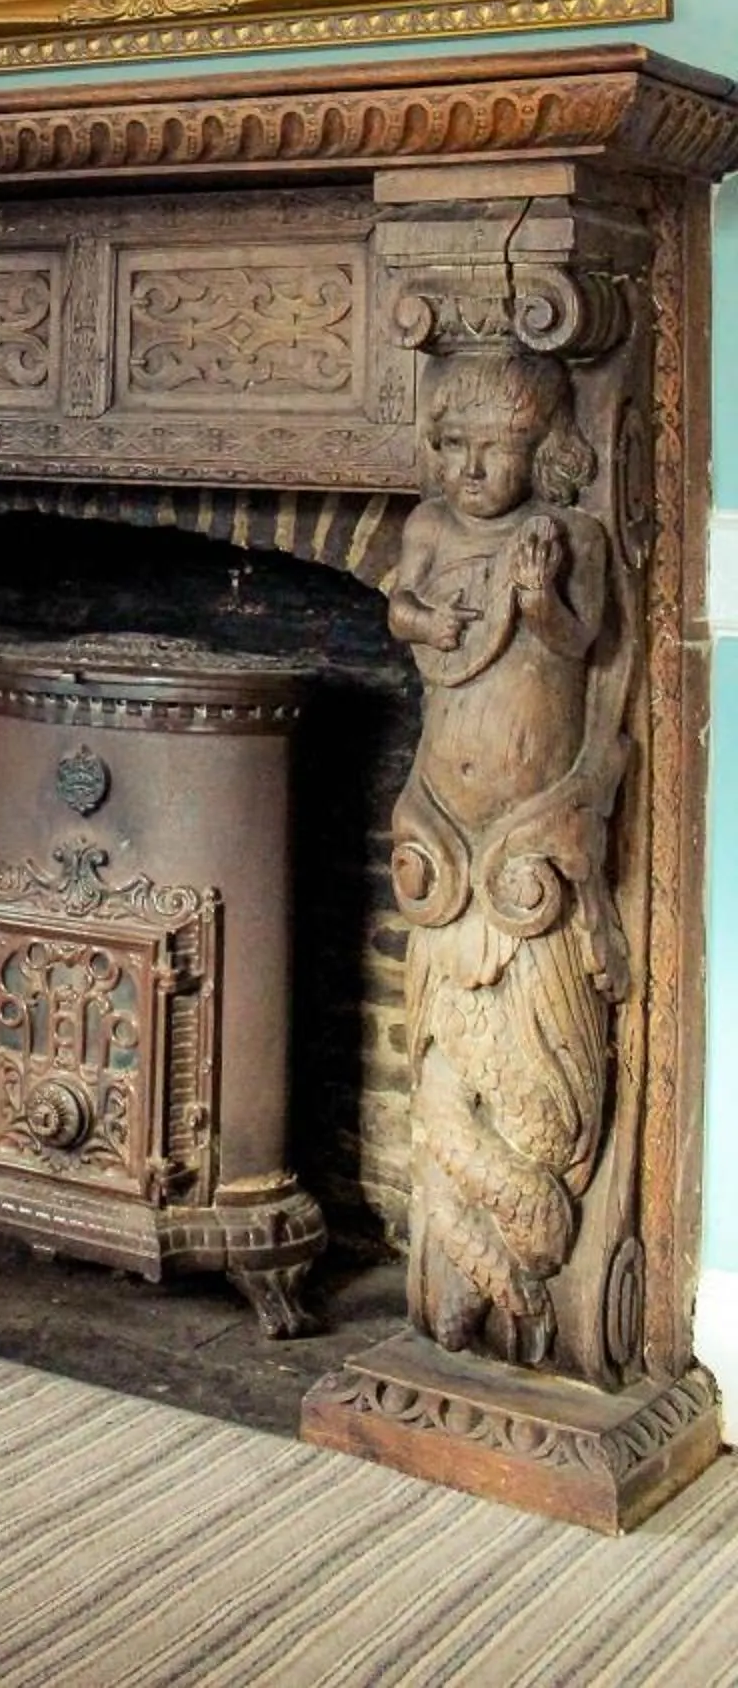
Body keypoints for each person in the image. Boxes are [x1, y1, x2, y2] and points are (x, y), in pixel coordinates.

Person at [387, 344, 622, 1367]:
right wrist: (430, 615)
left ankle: (520, 1279)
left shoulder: (564, 532)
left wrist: (534, 603)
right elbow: (401, 609)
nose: (470, 470)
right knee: (440, 1039)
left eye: (494, 450)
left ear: (543, 449)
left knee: (532, 1042)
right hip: (442, 817)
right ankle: (458, 1271)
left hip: (528, 832)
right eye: (452, 449)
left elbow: (584, 646)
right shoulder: (430, 526)